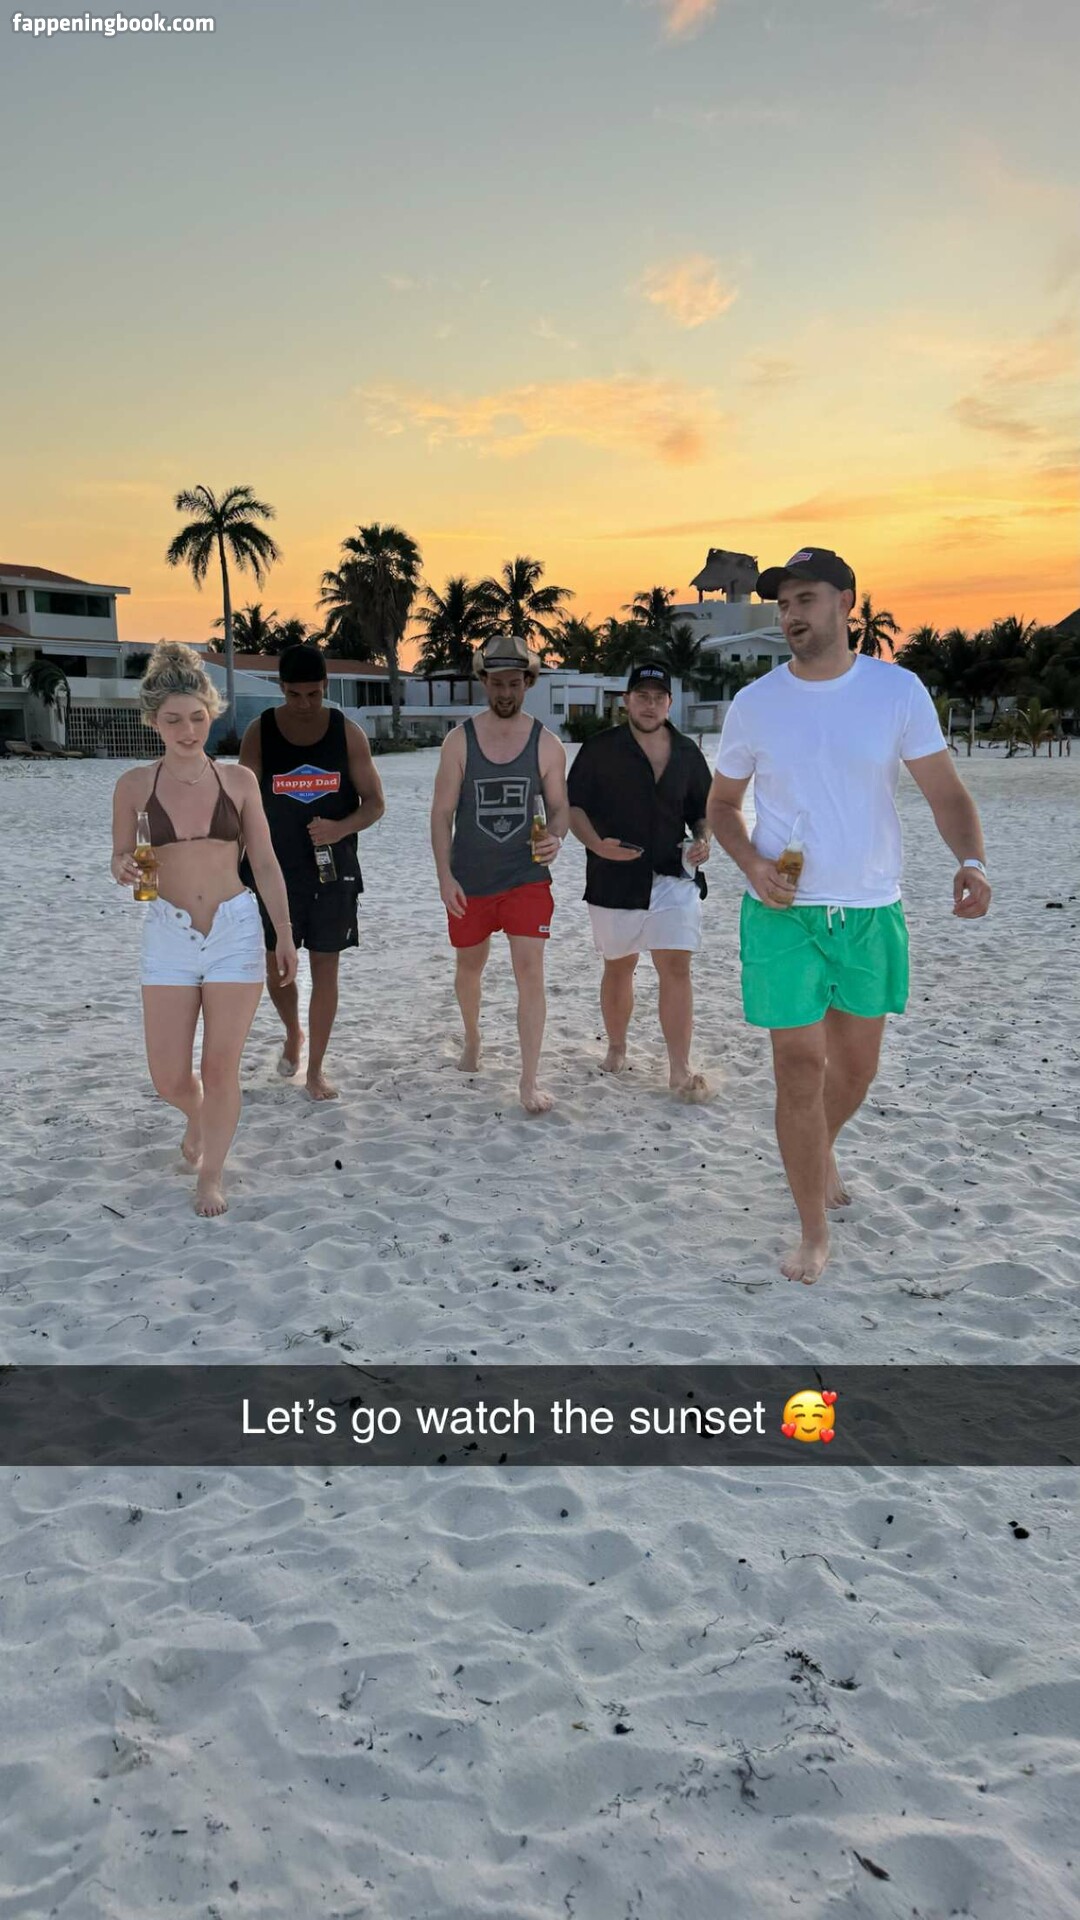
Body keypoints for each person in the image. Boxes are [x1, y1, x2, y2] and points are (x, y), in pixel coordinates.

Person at [707, 545, 991, 1284]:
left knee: (857, 1071)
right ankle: (812, 1231)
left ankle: (818, 1146)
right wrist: (751, 865)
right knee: (800, 1069)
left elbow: (946, 794)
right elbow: (722, 805)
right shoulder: (756, 703)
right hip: (782, 911)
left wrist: (972, 860)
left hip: (869, 909)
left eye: (805, 600)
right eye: (782, 605)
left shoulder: (897, 691)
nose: (790, 616)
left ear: (846, 603)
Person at [111, 642, 298, 1218]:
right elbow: (120, 856)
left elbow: (264, 861)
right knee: (168, 1077)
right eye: (173, 720)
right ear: (153, 721)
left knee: (220, 1068)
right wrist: (122, 866)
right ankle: (197, 1116)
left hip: (234, 929)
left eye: (197, 717)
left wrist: (283, 932)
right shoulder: (134, 785)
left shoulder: (238, 781)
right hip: (167, 932)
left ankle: (211, 1176)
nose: (187, 731)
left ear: (211, 713)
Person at [238, 643, 385, 1100]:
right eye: (294, 694)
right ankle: (293, 1033)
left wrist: (341, 828)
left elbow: (375, 803)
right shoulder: (260, 732)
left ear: (325, 687)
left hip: (333, 870)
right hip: (274, 869)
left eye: (313, 694)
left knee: (326, 966)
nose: (304, 704)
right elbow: (241, 799)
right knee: (278, 967)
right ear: (281, 689)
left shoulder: (348, 734)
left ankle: (316, 1068)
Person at [430, 633, 569, 1114]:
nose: (505, 692)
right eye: (496, 683)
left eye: (514, 683)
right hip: (470, 878)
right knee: (469, 966)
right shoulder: (459, 741)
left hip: (526, 876)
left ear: (528, 681)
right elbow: (441, 813)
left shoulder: (547, 744)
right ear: (483, 681)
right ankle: (473, 1037)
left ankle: (529, 1079)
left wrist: (556, 837)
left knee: (530, 972)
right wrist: (445, 877)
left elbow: (560, 809)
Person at [567, 661, 713, 1101]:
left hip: (673, 875)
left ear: (669, 703)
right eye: (642, 697)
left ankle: (679, 1066)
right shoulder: (600, 749)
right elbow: (574, 808)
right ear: (627, 701)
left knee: (676, 968)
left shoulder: (687, 753)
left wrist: (704, 839)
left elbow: (703, 811)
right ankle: (616, 1046)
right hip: (613, 876)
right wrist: (597, 845)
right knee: (619, 965)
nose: (650, 705)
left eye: (658, 698)